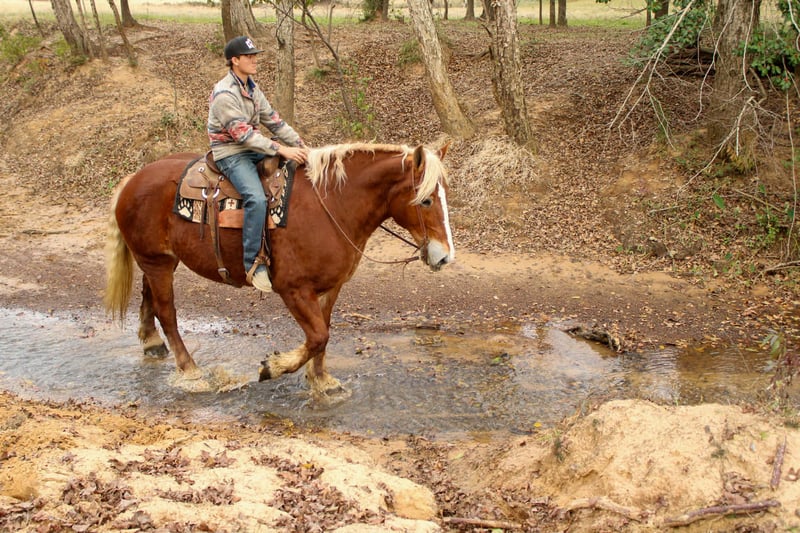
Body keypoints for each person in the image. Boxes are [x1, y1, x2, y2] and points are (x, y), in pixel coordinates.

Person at [207, 35, 310, 293]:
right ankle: (254, 263)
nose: (254, 60)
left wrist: (302, 147)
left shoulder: (252, 88)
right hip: (231, 152)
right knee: (256, 198)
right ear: (235, 60)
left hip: (254, 149)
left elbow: (274, 121)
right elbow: (242, 135)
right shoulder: (224, 94)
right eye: (249, 56)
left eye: (255, 56)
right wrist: (282, 149)